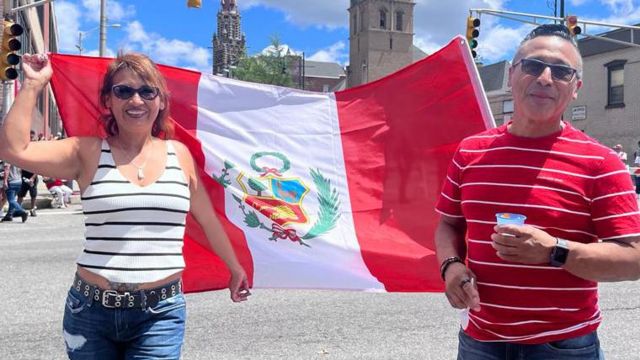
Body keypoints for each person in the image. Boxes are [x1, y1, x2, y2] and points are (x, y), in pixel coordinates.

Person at [0, 53, 251, 359]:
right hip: (90, 311)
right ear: (108, 100)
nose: (137, 100)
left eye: (147, 91)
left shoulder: (179, 155)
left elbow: (208, 220)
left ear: (160, 101)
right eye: (124, 91)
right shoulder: (86, 151)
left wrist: (234, 267)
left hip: (160, 314)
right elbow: (14, 149)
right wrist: (34, 83)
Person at [435, 24, 640, 359]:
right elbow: (449, 224)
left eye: (561, 71)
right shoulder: (470, 152)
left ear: (576, 88)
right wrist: (451, 266)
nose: (545, 77)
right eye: (533, 66)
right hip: (479, 341)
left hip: (563, 346)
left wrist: (555, 252)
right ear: (513, 74)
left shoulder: (601, 163)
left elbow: (633, 259)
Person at [17, 131, 40, 216]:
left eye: (31, 137)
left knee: (33, 194)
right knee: (20, 194)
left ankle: (32, 210)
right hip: (23, 175)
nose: (30, 139)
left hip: (32, 176)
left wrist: (33, 178)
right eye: (29, 137)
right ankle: (18, 209)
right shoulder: (23, 149)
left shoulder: (36, 151)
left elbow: (38, 166)